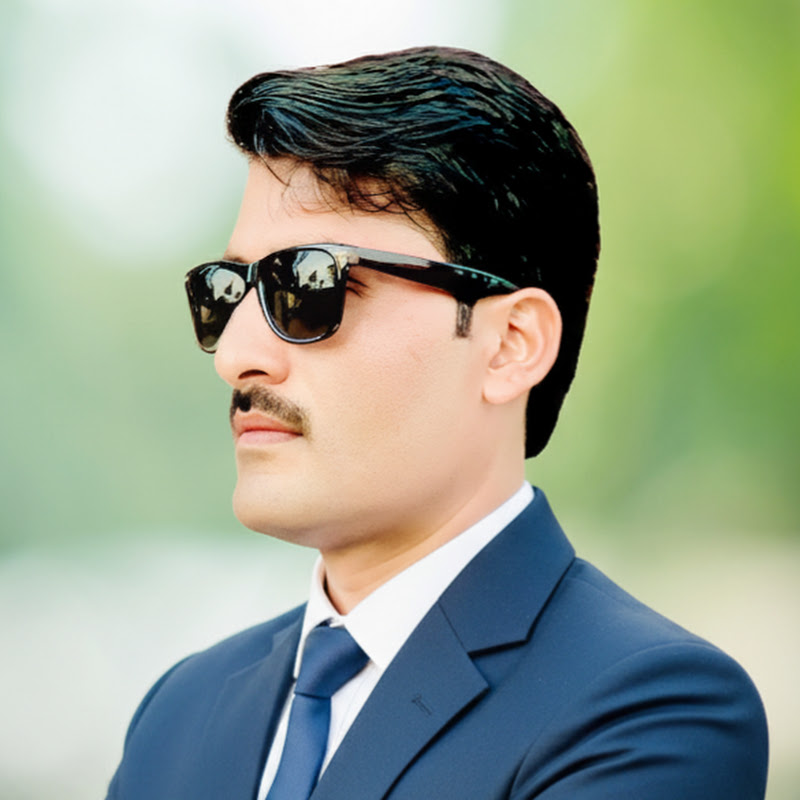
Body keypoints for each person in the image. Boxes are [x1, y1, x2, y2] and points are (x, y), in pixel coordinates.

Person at [106, 47, 768, 799]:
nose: (235, 355)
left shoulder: (648, 712)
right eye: (226, 292)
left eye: (311, 285)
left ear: (510, 344)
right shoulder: (180, 715)